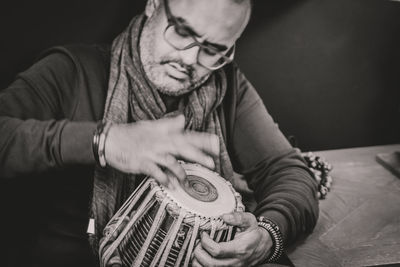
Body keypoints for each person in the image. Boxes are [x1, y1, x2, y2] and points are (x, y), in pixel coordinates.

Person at [0, 0, 319, 266]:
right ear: (154, 4)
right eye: (182, 31)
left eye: (214, 49)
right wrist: (105, 141)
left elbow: (287, 170)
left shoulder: (226, 85)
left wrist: (268, 235)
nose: (190, 59)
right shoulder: (70, 70)